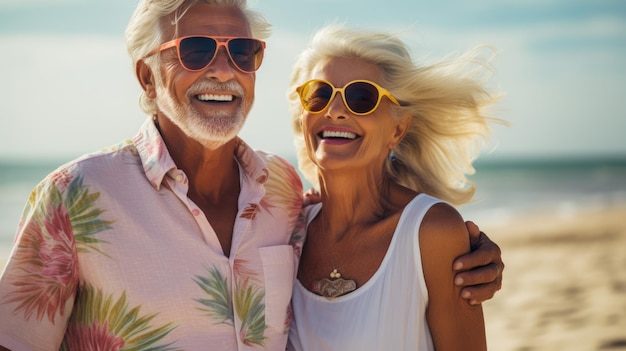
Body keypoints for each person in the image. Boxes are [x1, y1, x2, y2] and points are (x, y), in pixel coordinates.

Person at [0, 1, 502, 350]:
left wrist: (463, 248)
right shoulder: (74, 198)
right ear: (147, 76)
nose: (223, 69)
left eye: (242, 52)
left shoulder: (283, 196)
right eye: (195, 50)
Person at [286, 24, 504, 350]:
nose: (334, 110)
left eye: (362, 98)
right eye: (319, 94)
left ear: (398, 129)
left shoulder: (432, 232)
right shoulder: (282, 228)